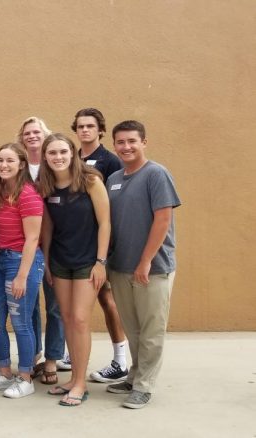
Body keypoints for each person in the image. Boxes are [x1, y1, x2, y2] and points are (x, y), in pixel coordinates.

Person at [104, 120, 180, 409]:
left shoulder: (156, 174)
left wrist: (145, 261)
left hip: (153, 268)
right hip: (120, 266)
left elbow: (163, 220)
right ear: (114, 145)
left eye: (132, 141)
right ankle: (135, 375)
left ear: (144, 142)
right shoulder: (113, 179)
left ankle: (145, 385)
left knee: (151, 329)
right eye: (121, 142)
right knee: (132, 327)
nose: (126, 147)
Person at [38, 134, 111, 406]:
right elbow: (47, 228)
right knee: (67, 318)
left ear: (72, 153)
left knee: (80, 319)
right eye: (52, 153)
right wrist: (45, 261)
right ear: (45, 157)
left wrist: (101, 262)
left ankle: (80, 382)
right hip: (59, 261)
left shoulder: (91, 181)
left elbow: (105, 223)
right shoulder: (46, 186)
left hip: (87, 262)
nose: (57, 157)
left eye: (62, 152)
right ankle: (72, 379)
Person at [0, 143, 45, 399]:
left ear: (21, 164)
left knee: (21, 322)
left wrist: (22, 276)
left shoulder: (28, 194)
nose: (4, 165)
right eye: (0, 161)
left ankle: (26, 377)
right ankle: (4, 372)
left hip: (21, 262)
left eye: (10, 160)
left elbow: (32, 239)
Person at [70, 108, 129, 383]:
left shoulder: (110, 161)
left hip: (101, 249)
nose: (85, 130)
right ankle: (74, 353)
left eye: (90, 126)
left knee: (107, 299)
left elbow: (113, 208)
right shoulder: (71, 159)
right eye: (80, 126)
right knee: (74, 306)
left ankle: (120, 360)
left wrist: (104, 254)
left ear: (100, 130)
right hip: (77, 245)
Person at [18, 116, 65, 384]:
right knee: (31, 306)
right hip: (27, 245)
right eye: (27, 133)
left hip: (56, 244)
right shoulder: (22, 167)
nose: (32, 136)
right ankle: (33, 355)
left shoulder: (54, 164)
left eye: (36, 132)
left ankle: (52, 359)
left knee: (55, 305)